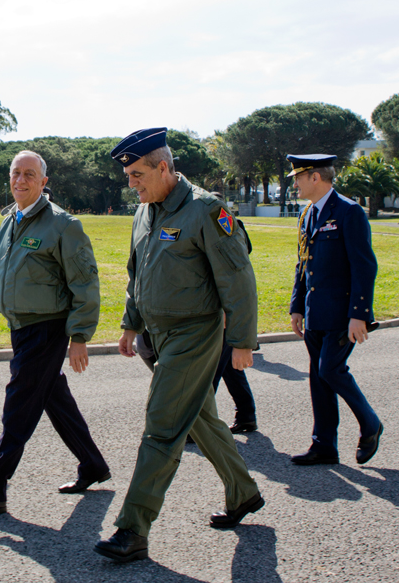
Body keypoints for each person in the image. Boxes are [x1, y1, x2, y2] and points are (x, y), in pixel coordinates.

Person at [95, 128, 262, 564]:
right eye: (129, 175)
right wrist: (131, 324)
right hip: (158, 333)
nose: (132, 183)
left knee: (162, 424)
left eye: (137, 174)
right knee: (200, 418)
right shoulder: (145, 210)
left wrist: (243, 341)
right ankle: (244, 493)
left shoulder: (205, 210)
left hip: (195, 332)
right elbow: (138, 273)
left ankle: (133, 528)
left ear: (164, 167)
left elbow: (237, 277)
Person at [0, 150, 109, 519]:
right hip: (20, 329)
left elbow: (85, 283)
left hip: (48, 328)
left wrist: (80, 337)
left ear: (44, 182)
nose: (20, 180)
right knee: (54, 398)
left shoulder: (62, 225)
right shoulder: (10, 222)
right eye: (15, 173)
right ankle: (93, 465)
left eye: (29, 174)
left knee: (18, 407)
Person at [287, 153, 382, 466]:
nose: (295, 184)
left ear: (316, 177)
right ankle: (324, 445)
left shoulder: (348, 211)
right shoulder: (309, 215)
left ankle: (370, 423)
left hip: (342, 313)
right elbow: (304, 264)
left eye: (298, 177)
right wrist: (297, 306)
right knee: (318, 376)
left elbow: (364, 266)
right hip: (316, 311)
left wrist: (359, 315)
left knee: (330, 370)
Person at [135, 211, 258, 435]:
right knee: (229, 368)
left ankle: (195, 425)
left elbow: (235, 278)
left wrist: (228, 317)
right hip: (206, 312)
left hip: (217, 315)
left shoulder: (224, 227)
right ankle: (246, 415)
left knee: (205, 377)